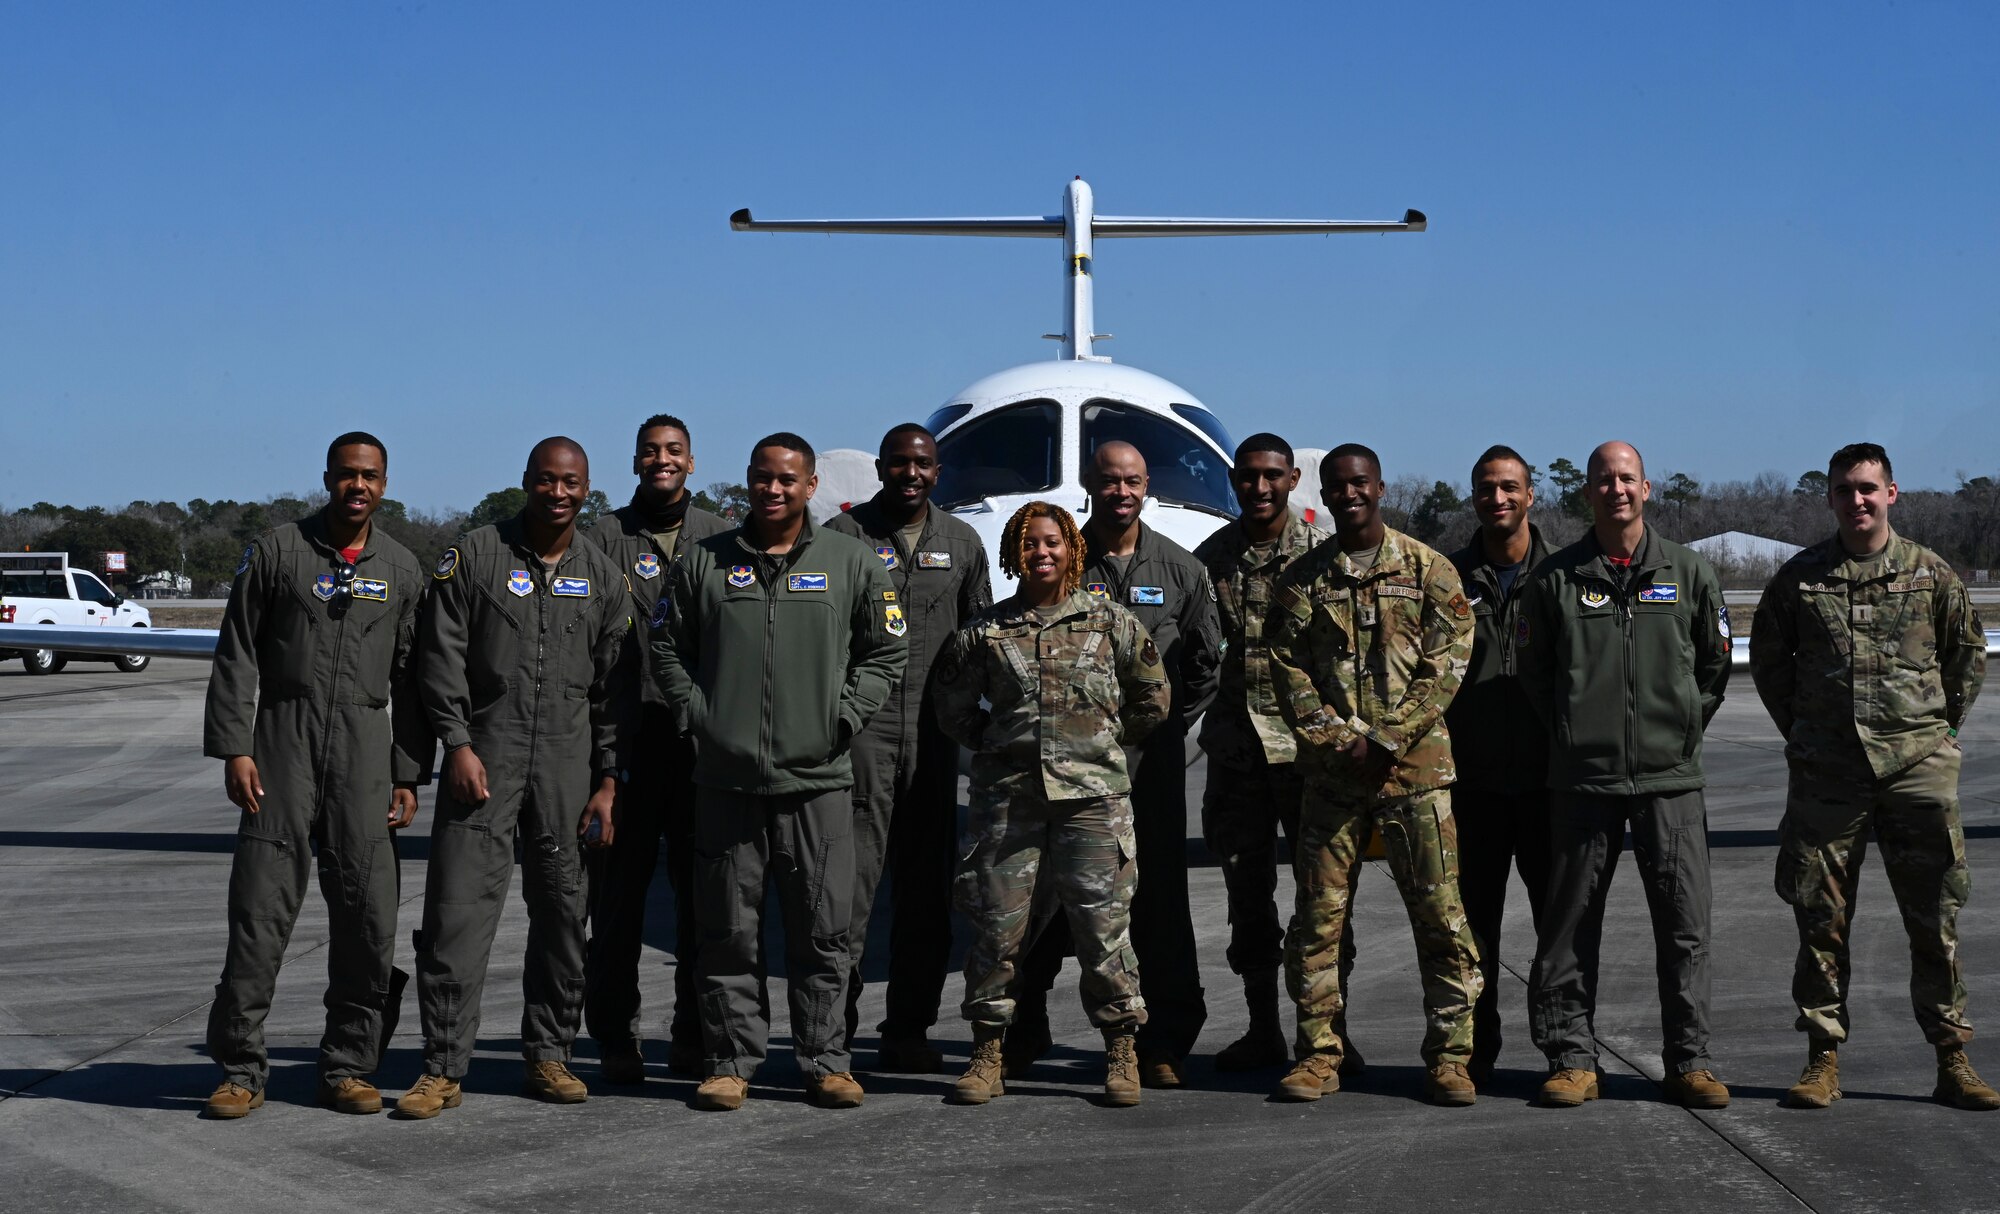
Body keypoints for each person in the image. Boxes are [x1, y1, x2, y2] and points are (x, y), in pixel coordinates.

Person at [654, 432, 906, 1112]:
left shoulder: (852, 562)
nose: (773, 490)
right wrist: (699, 714)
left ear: (810, 484)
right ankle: (731, 1062)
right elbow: (667, 650)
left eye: (787, 479)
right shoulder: (704, 564)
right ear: (748, 481)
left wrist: (843, 718)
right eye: (762, 478)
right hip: (726, 784)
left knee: (824, 933)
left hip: (818, 784)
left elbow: (886, 654)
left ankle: (825, 1060)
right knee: (726, 934)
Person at [1750, 442, 1996, 1111]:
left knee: (1935, 919)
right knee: (1820, 920)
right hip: (1829, 776)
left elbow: (1966, 656)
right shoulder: (1801, 580)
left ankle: (1953, 1060)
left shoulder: (1931, 573)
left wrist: (1939, 733)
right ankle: (1821, 1058)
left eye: (1867, 488)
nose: (1856, 500)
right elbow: (1771, 664)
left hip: (1916, 772)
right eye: (1843, 490)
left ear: (1891, 493)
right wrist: (1804, 733)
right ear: (1829, 498)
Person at [394, 437, 631, 1118]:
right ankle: (442, 1068)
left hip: (568, 766)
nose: (560, 493)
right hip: (486, 761)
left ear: (587, 490)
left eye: (573, 483)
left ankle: (550, 1055)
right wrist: (458, 744)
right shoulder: (475, 556)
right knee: (456, 917)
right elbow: (437, 659)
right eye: (548, 481)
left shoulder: (604, 576)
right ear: (528, 481)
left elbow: (611, 694)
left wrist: (608, 780)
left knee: (563, 918)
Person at [200, 432, 430, 1118]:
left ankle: (349, 1067)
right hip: (282, 743)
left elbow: (414, 679)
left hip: (365, 746)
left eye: (371, 477)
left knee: (369, 914)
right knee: (259, 912)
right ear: (328, 477)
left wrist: (409, 773)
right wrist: (235, 747)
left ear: (384, 485)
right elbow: (237, 649)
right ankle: (240, 1069)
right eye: (348, 475)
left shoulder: (403, 568)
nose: (358, 486)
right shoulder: (278, 551)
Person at [1265, 443, 1484, 1106]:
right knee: (1317, 922)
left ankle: (1449, 1057)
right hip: (1333, 779)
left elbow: (1448, 663)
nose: (1349, 495)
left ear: (1380, 487)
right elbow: (1288, 670)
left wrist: (1388, 738)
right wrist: (1341, 740)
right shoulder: (1303, 581)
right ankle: (1320, 1053)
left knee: (1441, 919)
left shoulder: (1428, 569)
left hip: (1415, 775)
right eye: (1337, 487)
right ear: (1323, 495)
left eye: (1359, 483)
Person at [933, 500, 1171, 1107]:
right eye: (1029, 544)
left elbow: (1152, 699)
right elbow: (952, 710)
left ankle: (1121, 1050)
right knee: (996, 928)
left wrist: (1103, 749)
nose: (1041, 553)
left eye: (1052, 542)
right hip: (1009, 805)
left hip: (1093, 803)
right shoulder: (984, 633)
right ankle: (988, 1051)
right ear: (1015, 554)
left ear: (1072, 550)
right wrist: (999, 747)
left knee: (1103, 930)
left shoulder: (1112, 623)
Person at [1518, 440, 1732, 1109]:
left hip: (1670, 781)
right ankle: (1572, 1059)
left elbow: (1713, 666)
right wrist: (1576, 732)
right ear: (1587, 493)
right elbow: (1536, 675)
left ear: (1648, 489)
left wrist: (1680, 726)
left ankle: (1690, 1060)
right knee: (1569, 926)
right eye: (1603, 480)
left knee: (1685, 926)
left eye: (1627, 478)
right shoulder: (1554, 580)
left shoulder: (1689, 573)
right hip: (1583, 784)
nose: (1616, 489)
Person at [1009, 440, 1220, 1087]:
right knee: (1047, 897)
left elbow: (1206, 666)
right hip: (1064, 768)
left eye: (1131, 480)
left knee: (1158, 901)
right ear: (1089, 485)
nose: (1120, 491)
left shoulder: (1183, 572)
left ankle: (1163, 1041)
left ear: (1146, 484)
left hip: (1147, 769)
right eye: (1108, 481)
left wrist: (1151, 731)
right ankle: (1024, 1026)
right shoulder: (1058, 561)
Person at [1192, 433, 1366, 1076]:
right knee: (1247, 898)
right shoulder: (1207, 562)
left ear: (1294, 480)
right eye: (1247, 478)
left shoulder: (1326, 555)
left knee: (1326, 899)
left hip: (1312, 756)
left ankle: (1329, 1032)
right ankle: (1263, 1027)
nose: (1259, 488)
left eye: (1271, 477)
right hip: (1237, 758)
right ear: (1233, 482)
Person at [824, 423, 992, 1072]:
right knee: (846, 893)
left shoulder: (962, 542)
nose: (911, 474)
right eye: (899, 464)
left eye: (922, 464)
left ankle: (908, 1030)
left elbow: (979, 635)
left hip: (934, 737)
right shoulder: (842, 538)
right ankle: (831, 1032)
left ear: (938, 470)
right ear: (880, 467)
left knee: (925, 895)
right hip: (859, 738)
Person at [580, 413, 728, 1084]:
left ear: (691, 463)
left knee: (703, 904)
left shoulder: (722, 538)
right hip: (624, 746)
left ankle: (693, 1036)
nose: (662, 461)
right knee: (617, 907)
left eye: (674, 452)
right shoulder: (602, 539)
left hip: (700, 746)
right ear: (635, 462)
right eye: (651, 452)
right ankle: (615, 1038)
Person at [1444, 445, 1554, 1084]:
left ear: (1531, 494)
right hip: (1472, 786)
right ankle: (1473, 1051)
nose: (1498, 499)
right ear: (1474, 497)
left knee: (1557, 929)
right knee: (1473, 932)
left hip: (1547, 785)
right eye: (1487, 489)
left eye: (1510, 487)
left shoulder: (1563, 575)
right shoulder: (1446, 577)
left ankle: (1564, 1051)